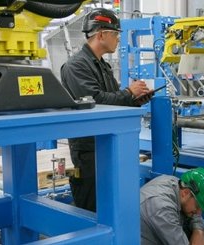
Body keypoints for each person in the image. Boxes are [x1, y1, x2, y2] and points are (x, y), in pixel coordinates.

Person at [60, 8, 152, 212]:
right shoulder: (76, 66)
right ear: (101, 34)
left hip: (108, 143)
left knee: (110, 206)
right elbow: (95, 102)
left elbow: (113, 103)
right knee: (90, 208)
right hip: (89, 149)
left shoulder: (102, 66)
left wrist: (136, 100)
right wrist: (129, 92)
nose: (118, 39)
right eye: (116, 34)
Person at [140, 168, 204, 245]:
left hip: (163, 229)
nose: (198, 213)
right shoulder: (162, 208)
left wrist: (198, 231)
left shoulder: (179, 183)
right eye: (197, 207)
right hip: (147, 240)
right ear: (185, 193)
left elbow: (197, 215)